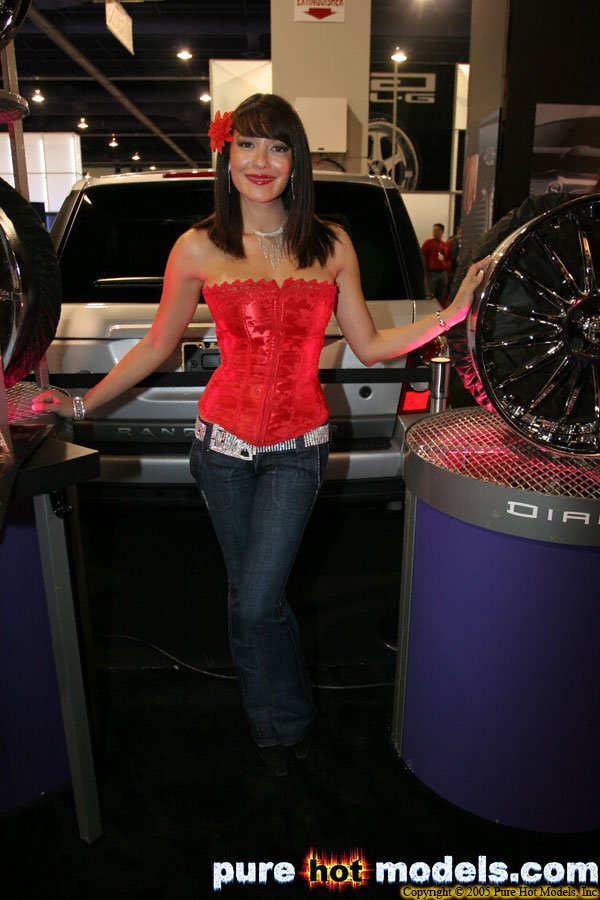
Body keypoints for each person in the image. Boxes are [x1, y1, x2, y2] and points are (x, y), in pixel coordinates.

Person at [32, 94, 489, 777]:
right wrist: (79, 405)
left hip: (298, 450)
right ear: (226, 156)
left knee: (255, 599)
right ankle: (269, 720)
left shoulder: (330, 244)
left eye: (277, 146)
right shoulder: (198, 246)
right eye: (246, 144)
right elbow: (156, 345)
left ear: (296, 161)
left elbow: (370, 345)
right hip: (219, 449)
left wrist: (452, 312)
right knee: (250, 594)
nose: (261, 161)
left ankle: (286, 720)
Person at [421, 222, 450, 303]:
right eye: (433, 230)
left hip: (443, 273)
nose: (434, 232)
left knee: (441, 295)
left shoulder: (445, 245)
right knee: (430, 294)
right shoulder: (428, 243)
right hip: (432, 273)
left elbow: (447, 259)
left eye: (437, 230)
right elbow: (422, 256)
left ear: (442, 232)